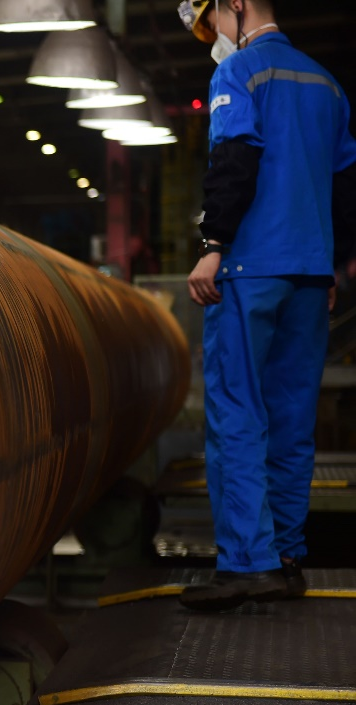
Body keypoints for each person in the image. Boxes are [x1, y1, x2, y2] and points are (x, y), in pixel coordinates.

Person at [177, 0, 356, 611]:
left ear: (236, 4)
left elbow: (234, 160)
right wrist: (334, 265)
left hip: (251, 269)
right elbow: (345, 185)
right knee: (291, 419)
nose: (216, 39)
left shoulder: (241, 73)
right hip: (310, 274)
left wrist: (212, 245)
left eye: (215, 25)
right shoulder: (326, 84)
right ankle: (285, 556)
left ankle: (247, 564)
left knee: (237, 412)